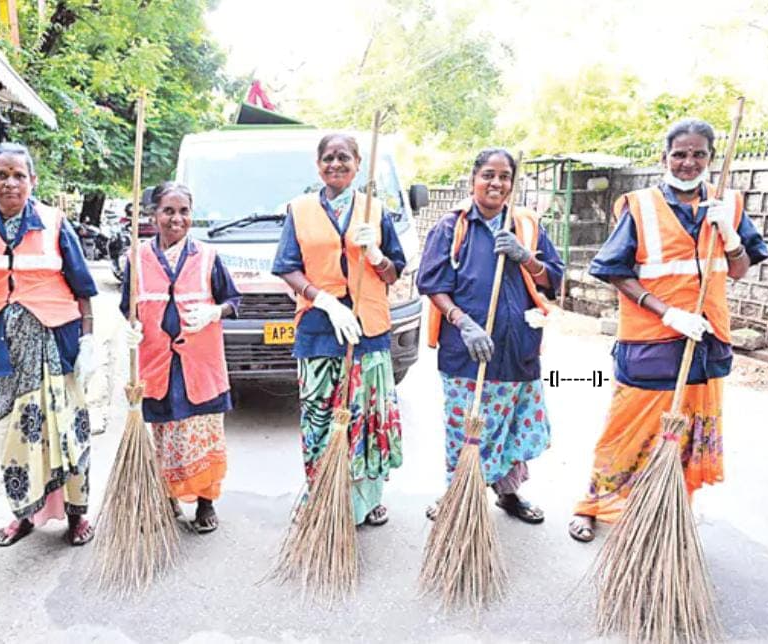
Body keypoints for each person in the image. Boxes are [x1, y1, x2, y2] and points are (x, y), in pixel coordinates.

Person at [569, 119, 768, 542]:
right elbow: (614, 270)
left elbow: (739, 270)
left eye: (698, 154)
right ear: (664, 157)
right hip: (650, 340)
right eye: (679, 154)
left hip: (706, 341)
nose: (688, 162)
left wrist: (731, 238)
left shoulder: (727, 204)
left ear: (711, 159)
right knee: (625, 430)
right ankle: (593, 505)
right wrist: (667, 312)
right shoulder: (641, 206)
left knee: (687, 434)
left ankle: (671, 506)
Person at [0, 142, 98, 547]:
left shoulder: (54, 222)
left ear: (33, 181)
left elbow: (82, 287)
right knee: (15, 436)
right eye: (2, 175)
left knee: (68, 431)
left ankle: (77, 515)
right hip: (3, 351)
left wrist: (89, 340)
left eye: (19, 175)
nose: (11, 183)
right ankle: (24, 515)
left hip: (57, 345)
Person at [417, 148, 564, 524]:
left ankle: (508, 493)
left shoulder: (527, 225)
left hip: (518, 350)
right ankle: (457, 495)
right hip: (466, 352)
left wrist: (524, 256)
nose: (495, 183)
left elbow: (554, 279)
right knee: (467, 430)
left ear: (512, 184)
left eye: (503, 176)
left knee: (513, 427)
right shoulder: (452, 227)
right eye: (488, 175)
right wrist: (462, 321)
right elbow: (431, 282)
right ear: (473, 179)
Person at [272, 133, 405, 527]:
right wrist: (323, 301)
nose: (336, 164)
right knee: (319, 417)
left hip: (368, 331)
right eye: (328, 158)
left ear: (357, 163)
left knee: (366, 417)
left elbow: (396, 270)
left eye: (343, 157)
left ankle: (367, 498)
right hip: (318, 329)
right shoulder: (300, 210)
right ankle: (321, 494)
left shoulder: (375, 211)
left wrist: (377, 255)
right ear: (318, 166)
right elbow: (286, 266)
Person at [118, 181, 240, 534]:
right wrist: (131, 327)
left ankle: (205, 503)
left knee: (201, 433)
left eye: (183, 211)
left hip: (199, 365)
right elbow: (128, 304)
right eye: (168, 211)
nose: (176, 219)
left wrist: (215, 312)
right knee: (165, 434)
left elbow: (234, 300)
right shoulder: (136, 258)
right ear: (153, 216)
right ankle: (166, 496)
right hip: (157, 362)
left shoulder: (207, 256)